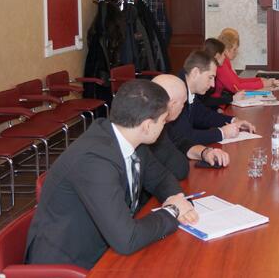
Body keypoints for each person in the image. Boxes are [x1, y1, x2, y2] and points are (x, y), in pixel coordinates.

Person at [26, 80, 199, 269]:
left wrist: (177, 199)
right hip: (70, 264)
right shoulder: (94, 160)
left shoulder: (131, 139)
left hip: (108, 244)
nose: (164, 125)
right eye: (163, 120)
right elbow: (127, 239)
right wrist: (173, 211)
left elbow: (161, 178)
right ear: (147, 126)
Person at [150, 74, 230, 180]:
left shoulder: (163, 123)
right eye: (183, 103)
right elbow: (179, 169)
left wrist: (205, 152)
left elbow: (181, 142)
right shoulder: (151, 133)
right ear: (172, 105)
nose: (183, 107)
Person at [174, 50, 256, 145]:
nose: (213, 84)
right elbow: (184, 137)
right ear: (195, 72)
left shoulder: (188, 88)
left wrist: (233, 120)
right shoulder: (176, 93)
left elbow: (204, 115)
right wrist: (222, 133)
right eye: (210, 77)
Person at [213, 28, 275, 97]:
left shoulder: (226, 61)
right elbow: (237, 87)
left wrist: (260, 80)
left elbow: (238, 81)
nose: (236, 52)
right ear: (226, 49)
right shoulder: (221, 64)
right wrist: (263, 84)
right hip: (219, 102)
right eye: (234, 49)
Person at [200, 37, 245, 109]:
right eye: (224, 54)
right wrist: (232, 98)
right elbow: (205, 101)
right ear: (217, 56)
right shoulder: (206, 73)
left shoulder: (212, 69)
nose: (225, 57)